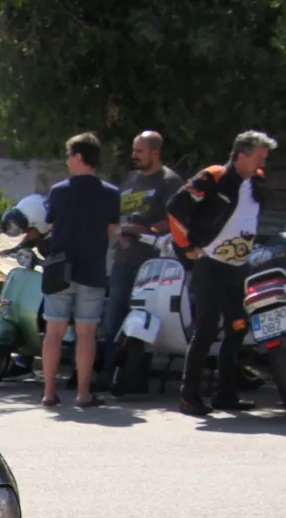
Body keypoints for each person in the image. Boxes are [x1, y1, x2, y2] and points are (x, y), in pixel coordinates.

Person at [167, 129, 278, 417]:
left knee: (237, 326)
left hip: (238, 267)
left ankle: (225, 393)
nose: (262, 162)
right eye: (259, 157)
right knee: (206, 328)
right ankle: (188, 396)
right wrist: (187, 246)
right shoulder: (214, 176)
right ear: (241, 155)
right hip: (210, 264)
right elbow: (176, 207)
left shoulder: (258, 180)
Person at [40, 132, 119, 407]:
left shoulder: (59, 191)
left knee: (54, 331)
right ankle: (83, 393)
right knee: (86, 333)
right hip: (93, 269)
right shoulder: (111, 193)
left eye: (68, 156)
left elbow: (51, 224)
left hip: (60, 269)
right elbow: (111, 230)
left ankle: (49, 392)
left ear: (78, 157)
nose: (66, 161)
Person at [98, 130, 182, 390]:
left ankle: (135, 378)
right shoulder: (132, 179)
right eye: (134, 150)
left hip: (154, 264)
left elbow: (176, 220)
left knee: (146, 320)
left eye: (139, 151)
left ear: (155, 152)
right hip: (124, 259)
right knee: (115, 319)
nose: (134, 156)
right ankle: (106, 375)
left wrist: (145, 230)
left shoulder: (169, 182)